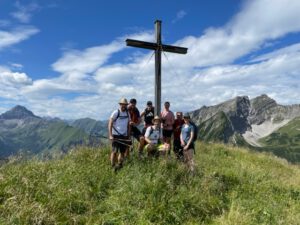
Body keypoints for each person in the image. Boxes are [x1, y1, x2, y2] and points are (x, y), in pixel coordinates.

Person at [108, 98, 131, 171]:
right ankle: (112, 166)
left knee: (122, 152)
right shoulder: (116, 112)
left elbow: (128, 125)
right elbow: (110, 123)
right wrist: (110, 135)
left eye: (125, 105)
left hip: (124, 135)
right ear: (120, 104)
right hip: (115, 135)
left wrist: (128, 135)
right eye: (122, 104)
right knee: (114, 152)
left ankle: (119, 165)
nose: (124, 106)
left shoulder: (128, 113)